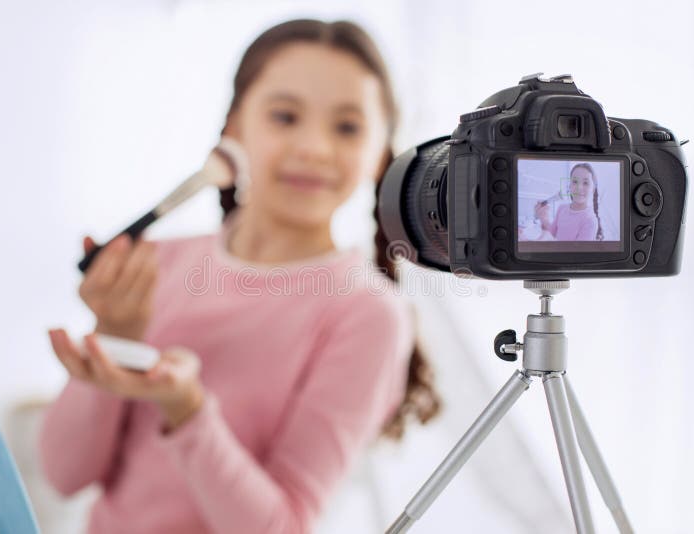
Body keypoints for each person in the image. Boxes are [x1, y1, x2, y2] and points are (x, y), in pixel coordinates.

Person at [39, 19, 441, 534]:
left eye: (346, 127)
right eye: (285, 115)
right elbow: (64, 476)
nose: (314, 147)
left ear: (381, 153)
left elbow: (282, 525)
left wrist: (185, 408)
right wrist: (115, 337)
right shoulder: (154, 267)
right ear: (233, 129)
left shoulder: (367, 314)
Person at [536, 162, 604, 241]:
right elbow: (553, 233)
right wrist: (544, 218)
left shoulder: (590, 221)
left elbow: (576, 253)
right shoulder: (562, 208)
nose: (579, 187)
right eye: (575, 181)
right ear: (570, 185)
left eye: (585, 183)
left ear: (593, 189)